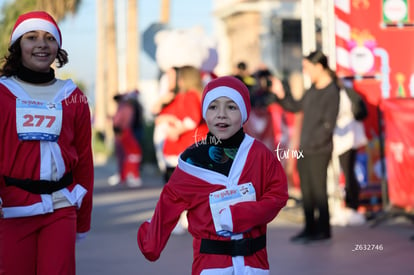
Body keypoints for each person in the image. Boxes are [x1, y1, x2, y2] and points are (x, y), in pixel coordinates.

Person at [137, 76, 288, 274]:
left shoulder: (260, 154)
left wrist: (240, 215)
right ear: (204, 112)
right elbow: (168, 204)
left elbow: (277, 196)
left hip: (254, 266)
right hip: (210, 267)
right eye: (213, 107)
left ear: (244, 112)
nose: (221, 115)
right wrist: (151, 241)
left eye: (231, 107)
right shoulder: (191, 161)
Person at [0, 11, 94, 275]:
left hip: (61, 208)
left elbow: (84, 160)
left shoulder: (73, 97)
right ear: (18, 46)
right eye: (32, 37)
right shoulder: (2, 93)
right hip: (11, 209)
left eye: (49, 38)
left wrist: (83, 220)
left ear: (58, 48)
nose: (42, 44)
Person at [271, 50, 340, 244]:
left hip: (319, 149)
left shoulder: (331, 91)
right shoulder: (312, 89)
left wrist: (313, 143)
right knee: (307, 191)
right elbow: (295, 106)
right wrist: (280, 94)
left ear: (319, 67)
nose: (306, 72)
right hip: (305, 149)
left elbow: (328, 124)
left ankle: (323, 229)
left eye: (307, 68)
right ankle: (309, 228)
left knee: (318, 190)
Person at [330, 81, 368, 226]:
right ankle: (350, 205)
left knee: (348, 173)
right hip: (346, 139)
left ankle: (352, 206)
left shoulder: (342, 93)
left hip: (346, 139)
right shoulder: (346, 91)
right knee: (348, 173)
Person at [109, 90, 144, 187]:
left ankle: (128, 175)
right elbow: (118, 122)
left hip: (126, 132)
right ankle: (129, 175)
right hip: (125, 132)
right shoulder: (127, 108)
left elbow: (117, 121)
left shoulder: (126, 107)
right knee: (132, 155)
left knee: (131, 155)